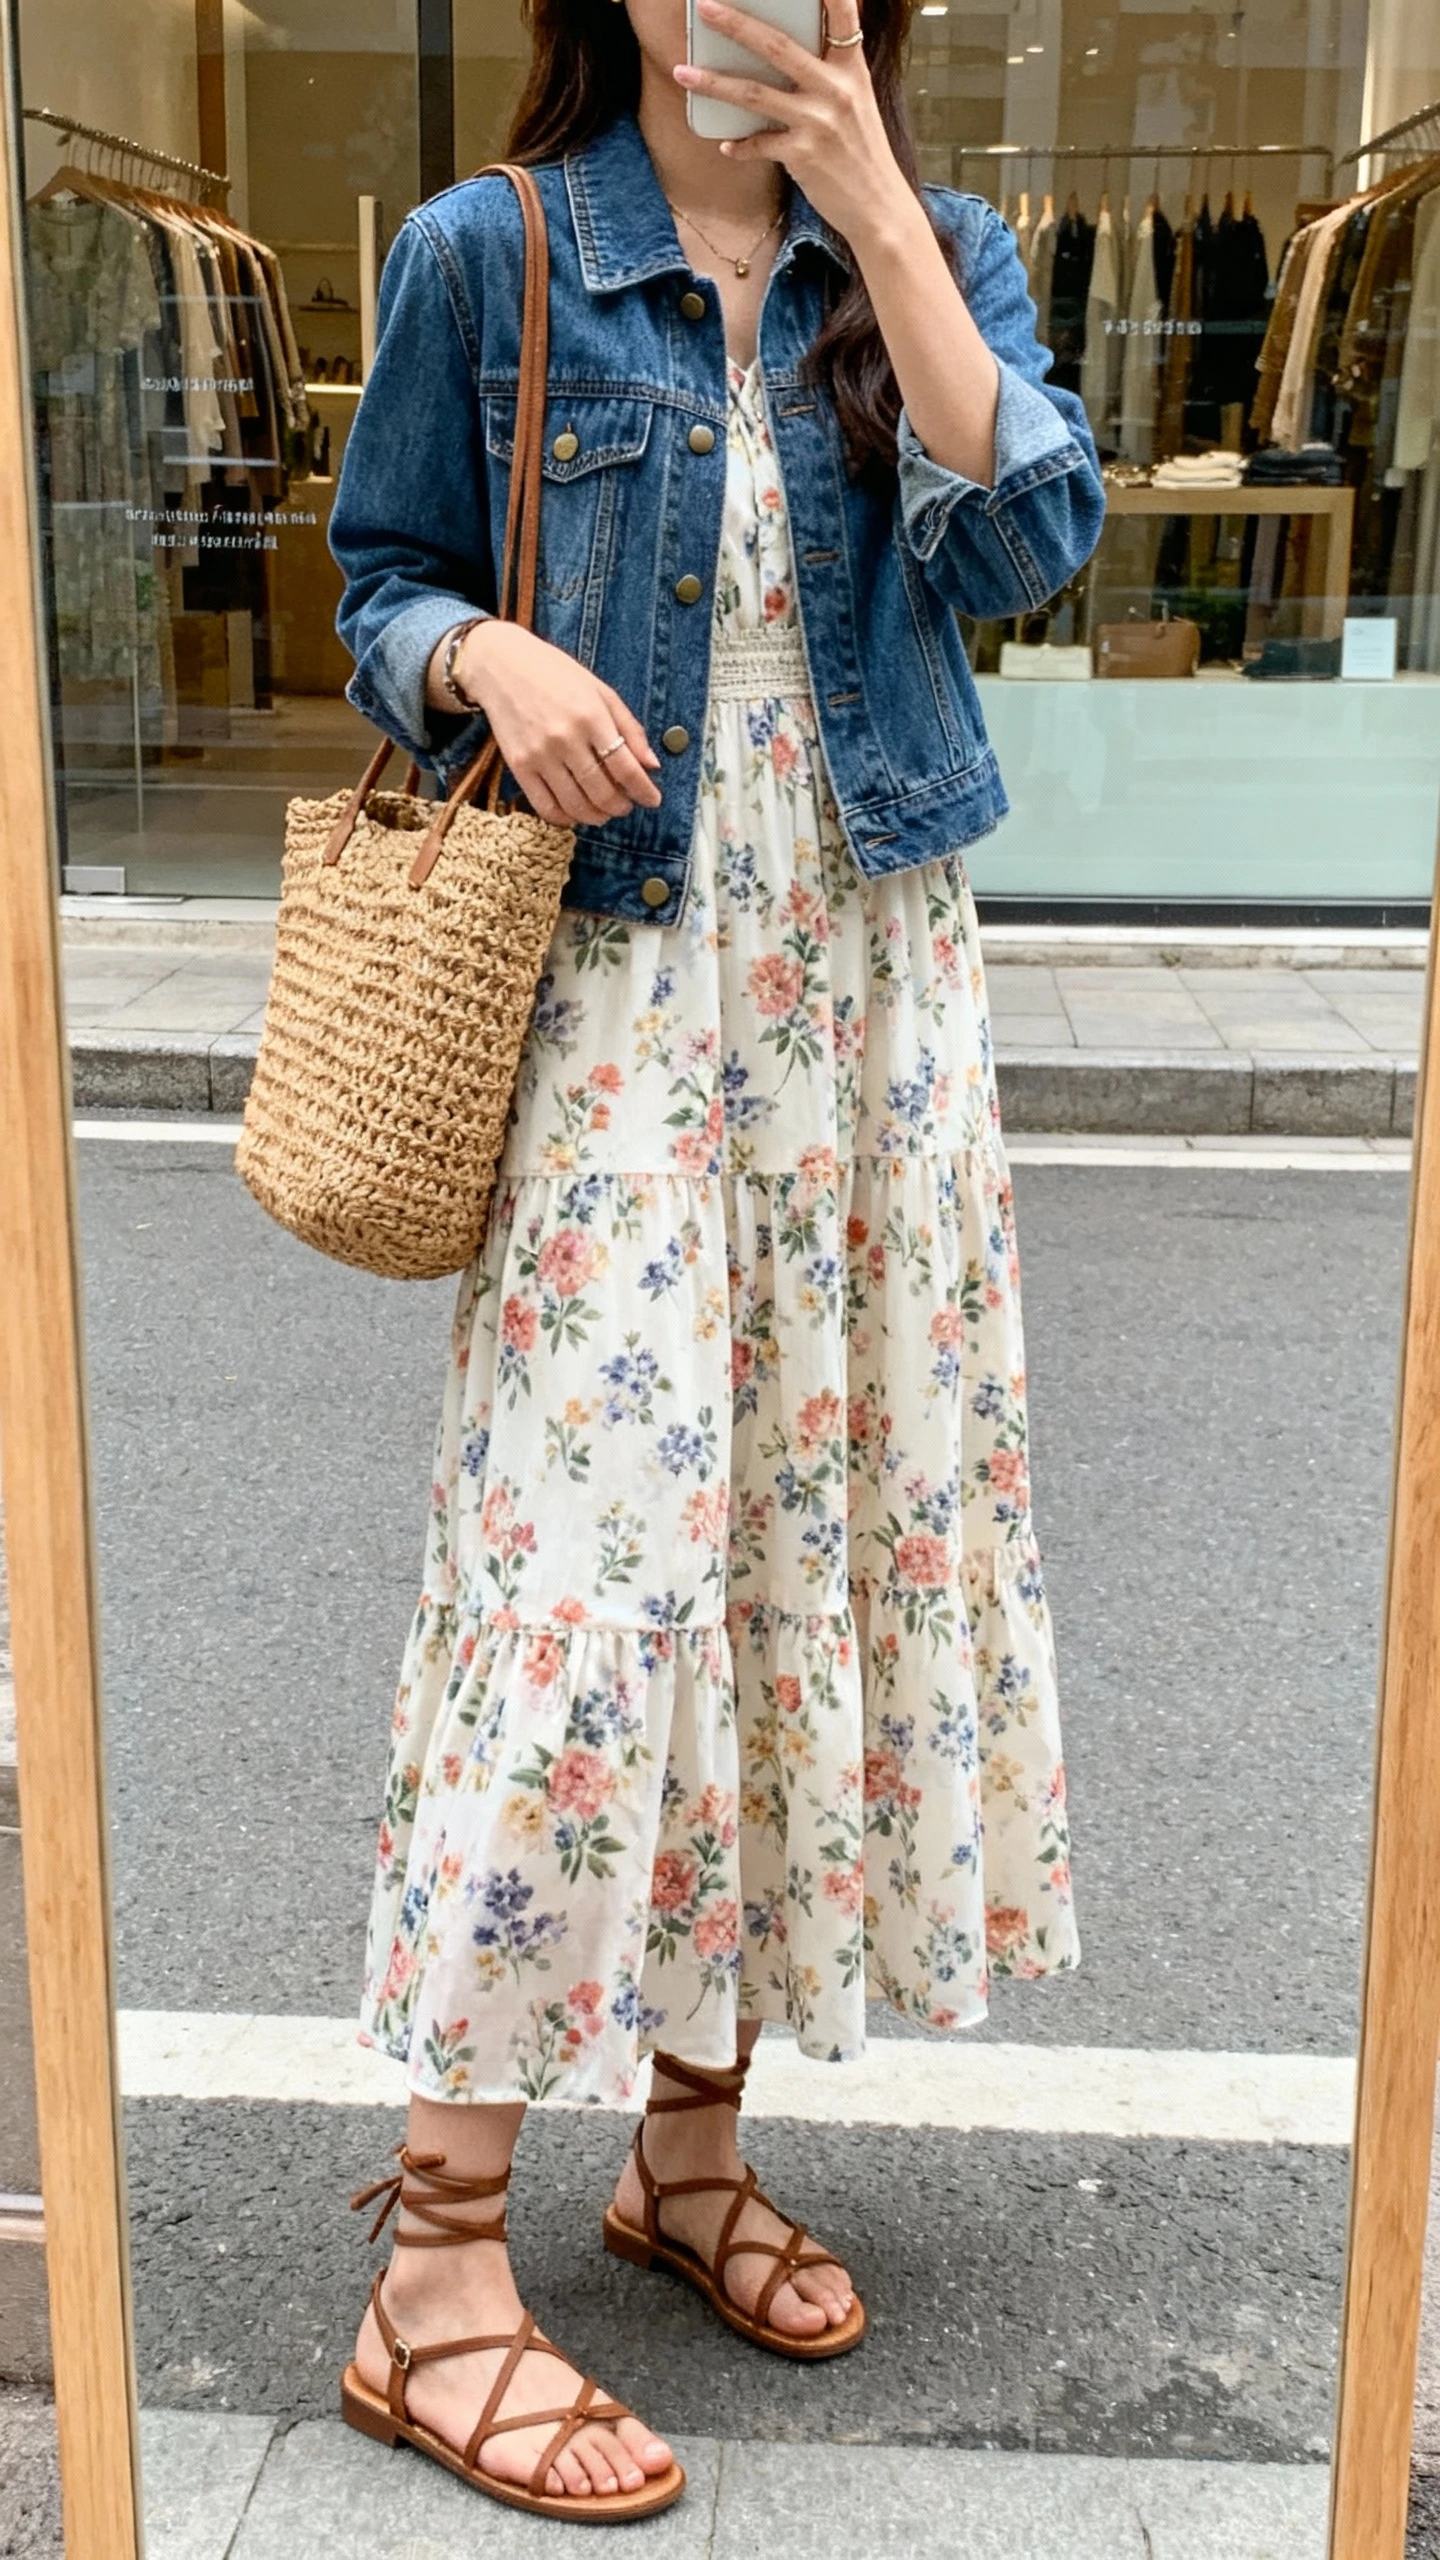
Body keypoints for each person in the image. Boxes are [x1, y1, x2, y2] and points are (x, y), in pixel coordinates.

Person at [328, 0, 1102, 2522]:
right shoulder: (494, 251)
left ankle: (681, 2148)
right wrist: (487, 650)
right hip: (616, 1002)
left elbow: (1041, 535)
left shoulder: (940, 254)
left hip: (870, 996)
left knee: (798, 1549)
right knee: (588, 1578)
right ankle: (434, 2264)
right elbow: (377, 584)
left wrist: (881, 209)